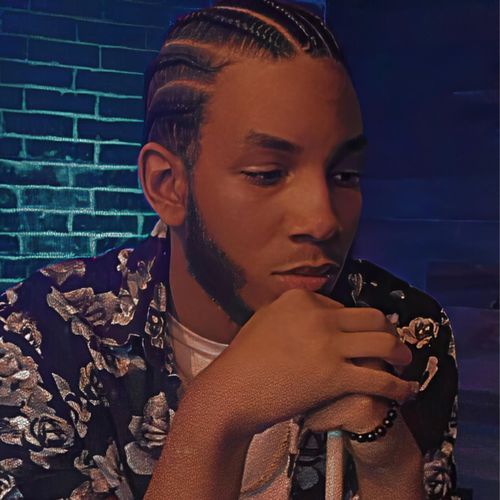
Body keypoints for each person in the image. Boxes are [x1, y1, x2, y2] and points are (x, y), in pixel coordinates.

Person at [0, 1, 459, 498]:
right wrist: (215, 415)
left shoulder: (402, 328)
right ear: (168, 184)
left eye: (345, 175)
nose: (324, 220)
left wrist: (389, 462)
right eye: (267, 174)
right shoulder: (43, 333)